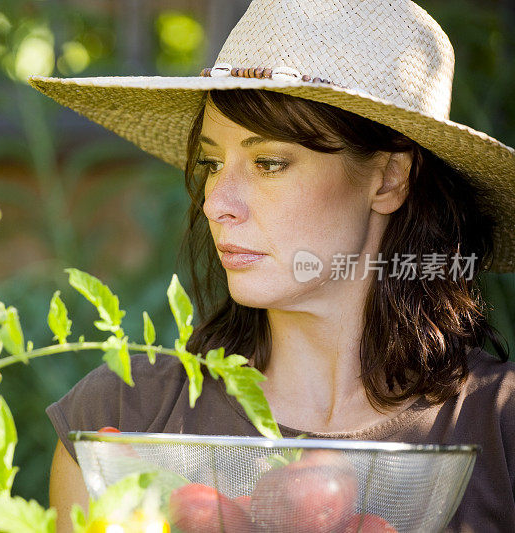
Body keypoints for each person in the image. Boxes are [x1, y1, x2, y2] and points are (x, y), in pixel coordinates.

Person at [27, 0, 515, 531]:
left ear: (389, 178)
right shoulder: (121, 417)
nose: (217, 203)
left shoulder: (499, 425)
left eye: (269, 163)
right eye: (212, 164)